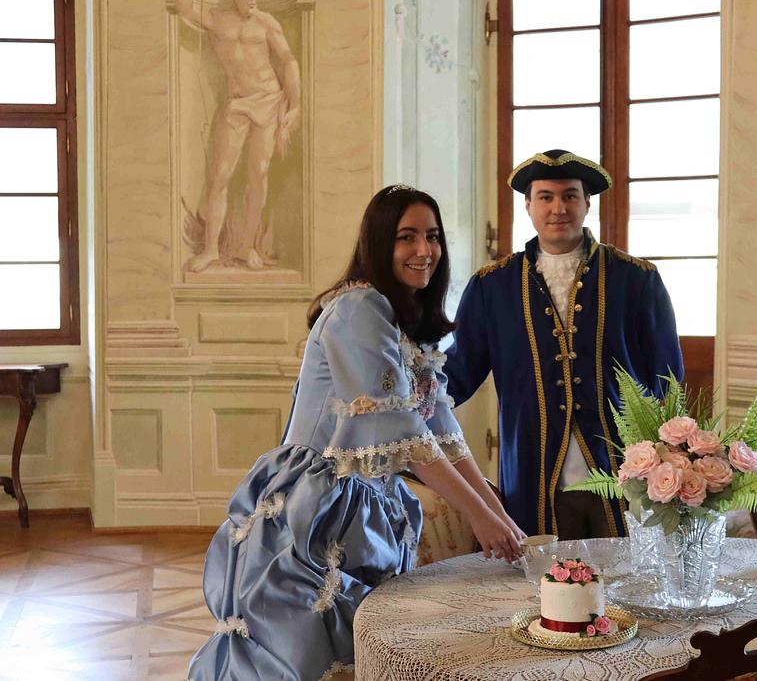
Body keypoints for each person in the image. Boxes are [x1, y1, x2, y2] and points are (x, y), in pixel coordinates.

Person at [187, 185, 524, 681]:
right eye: (406, 237)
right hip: (316, 501)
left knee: (363, 649)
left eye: (432, 236)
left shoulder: (403, 320)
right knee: (310, 656)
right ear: (378, 242)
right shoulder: (359, 308)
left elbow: (443, 432)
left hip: (364, 500)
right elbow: (408, 439)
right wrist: (479, 517)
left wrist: (500, 516)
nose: (424, 250)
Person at [443, 149, 684, 541]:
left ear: (587, 203)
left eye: (570, 196)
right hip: (532, 472)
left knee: (627, 574)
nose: (558, 208)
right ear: (528, 205)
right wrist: (406, 405)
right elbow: (459, 372)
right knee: (545, 576)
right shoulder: (493, 286)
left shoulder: (637, 279)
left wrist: (669, 460)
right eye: (546, 197)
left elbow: (666, 378)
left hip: (625, 472)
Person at [175, 0, 302, 273]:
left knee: (259, 173)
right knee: (219, 176)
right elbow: (185, 8)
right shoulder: (216, 19)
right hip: (237, 104)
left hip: (268, 101)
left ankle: (247, 246)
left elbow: (288, 60)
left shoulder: (267, 22)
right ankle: (211, 249)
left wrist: (295, 104)